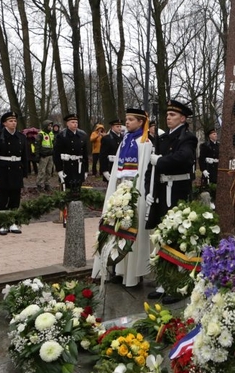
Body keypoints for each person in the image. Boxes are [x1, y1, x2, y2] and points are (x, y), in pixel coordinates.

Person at [92, 109, 153, 288]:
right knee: (117, 230)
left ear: (141, 122)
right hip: (121, 189)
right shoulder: (125, 140)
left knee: (132, 229)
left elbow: (142, 172)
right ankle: (119, 269)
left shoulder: (144, 142)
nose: (126, 122)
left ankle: (133, 274)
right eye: (126, 119)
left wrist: (134, 193)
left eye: (131, 119)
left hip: (136, 191)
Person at [145, 100, 198, 304]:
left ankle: (177, 284)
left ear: (183, 119)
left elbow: (183, 158)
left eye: (173, 115)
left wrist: (161, 161)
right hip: (160, 190)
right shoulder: (162, 138)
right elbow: (152, 165)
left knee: (176, 237)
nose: (168, 117)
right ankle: (163, 281)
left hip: (177, 191)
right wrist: (148, 188)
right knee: (161, 236)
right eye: (167, 114)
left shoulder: (188, 138)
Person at [0, 111, 29, 235]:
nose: (13, 123)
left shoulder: (21, 137)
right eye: (10, 121)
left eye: (15, 121)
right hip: (2, 169)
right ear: (4, 123)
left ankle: (13, 222)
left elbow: (24, 156)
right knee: (2, 197)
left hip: (16, 168)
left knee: (15, 197)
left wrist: (24, 171)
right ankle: (3, 223)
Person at [53, 113, 89, 194]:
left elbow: (85, 154)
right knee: (66, 192)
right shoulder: (62, 136)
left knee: (78, 190)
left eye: (76, 122)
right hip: (67, 167)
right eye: (72, 122)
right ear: (67, 123)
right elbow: (56, 154)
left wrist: (86, 170)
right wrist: (59, 170)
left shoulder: (82, 135)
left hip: (78, 167)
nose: (75, 124)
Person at [35, 120, 55, 191]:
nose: (50, 127)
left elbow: (53, 144)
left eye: (51, 126)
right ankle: (39, 185)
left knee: (49, 171)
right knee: (42, 171)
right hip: (43, 155)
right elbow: (37, 146)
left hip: (50, 155)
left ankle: (47, 184)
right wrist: (37, 156)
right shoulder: (41, 134)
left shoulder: (51, 134)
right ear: (45, 126)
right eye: (49, 125)